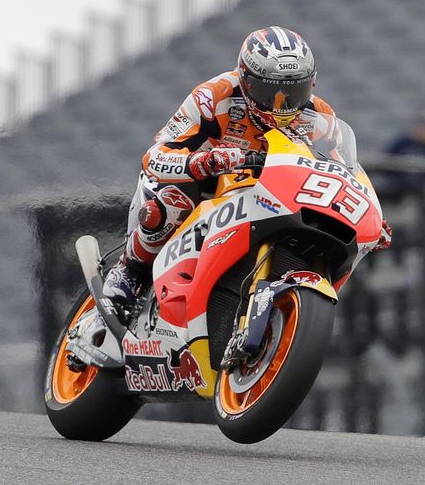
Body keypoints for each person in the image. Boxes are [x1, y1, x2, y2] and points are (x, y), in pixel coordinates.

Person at [103, 26, 392, 305]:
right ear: (246, 80)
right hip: (206, 185)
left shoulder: (322, 118)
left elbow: (341, 172)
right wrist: (203, 161)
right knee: (171, 203)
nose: (282, 105)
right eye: (271, 92)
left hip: (271, 193)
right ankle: (129, 271)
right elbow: (155, 157)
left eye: (295, 91)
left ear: (312, 83)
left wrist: (367, 218)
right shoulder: (213, 97)